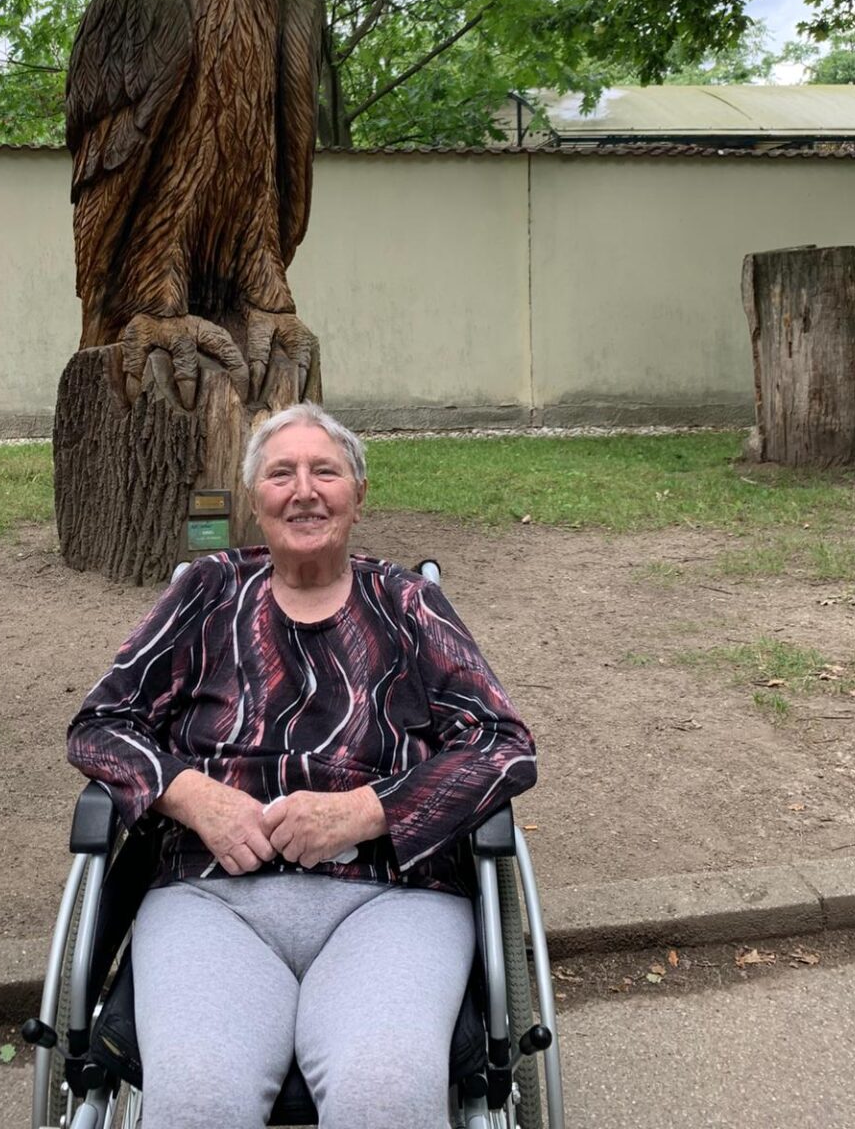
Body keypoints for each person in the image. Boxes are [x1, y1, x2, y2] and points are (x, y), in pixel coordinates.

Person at [68, 402, 536, 1129]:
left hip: (393, 897)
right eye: (281, 473)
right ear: (254, 499)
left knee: (385, 1096)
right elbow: (100, 726)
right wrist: (193, 796)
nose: (305, 491)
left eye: (326, 472)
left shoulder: (409, 605)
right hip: (210, 897)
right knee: (197, 1102)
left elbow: (501, 744)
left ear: (359, 495)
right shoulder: (208, 593)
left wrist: (366, 810)